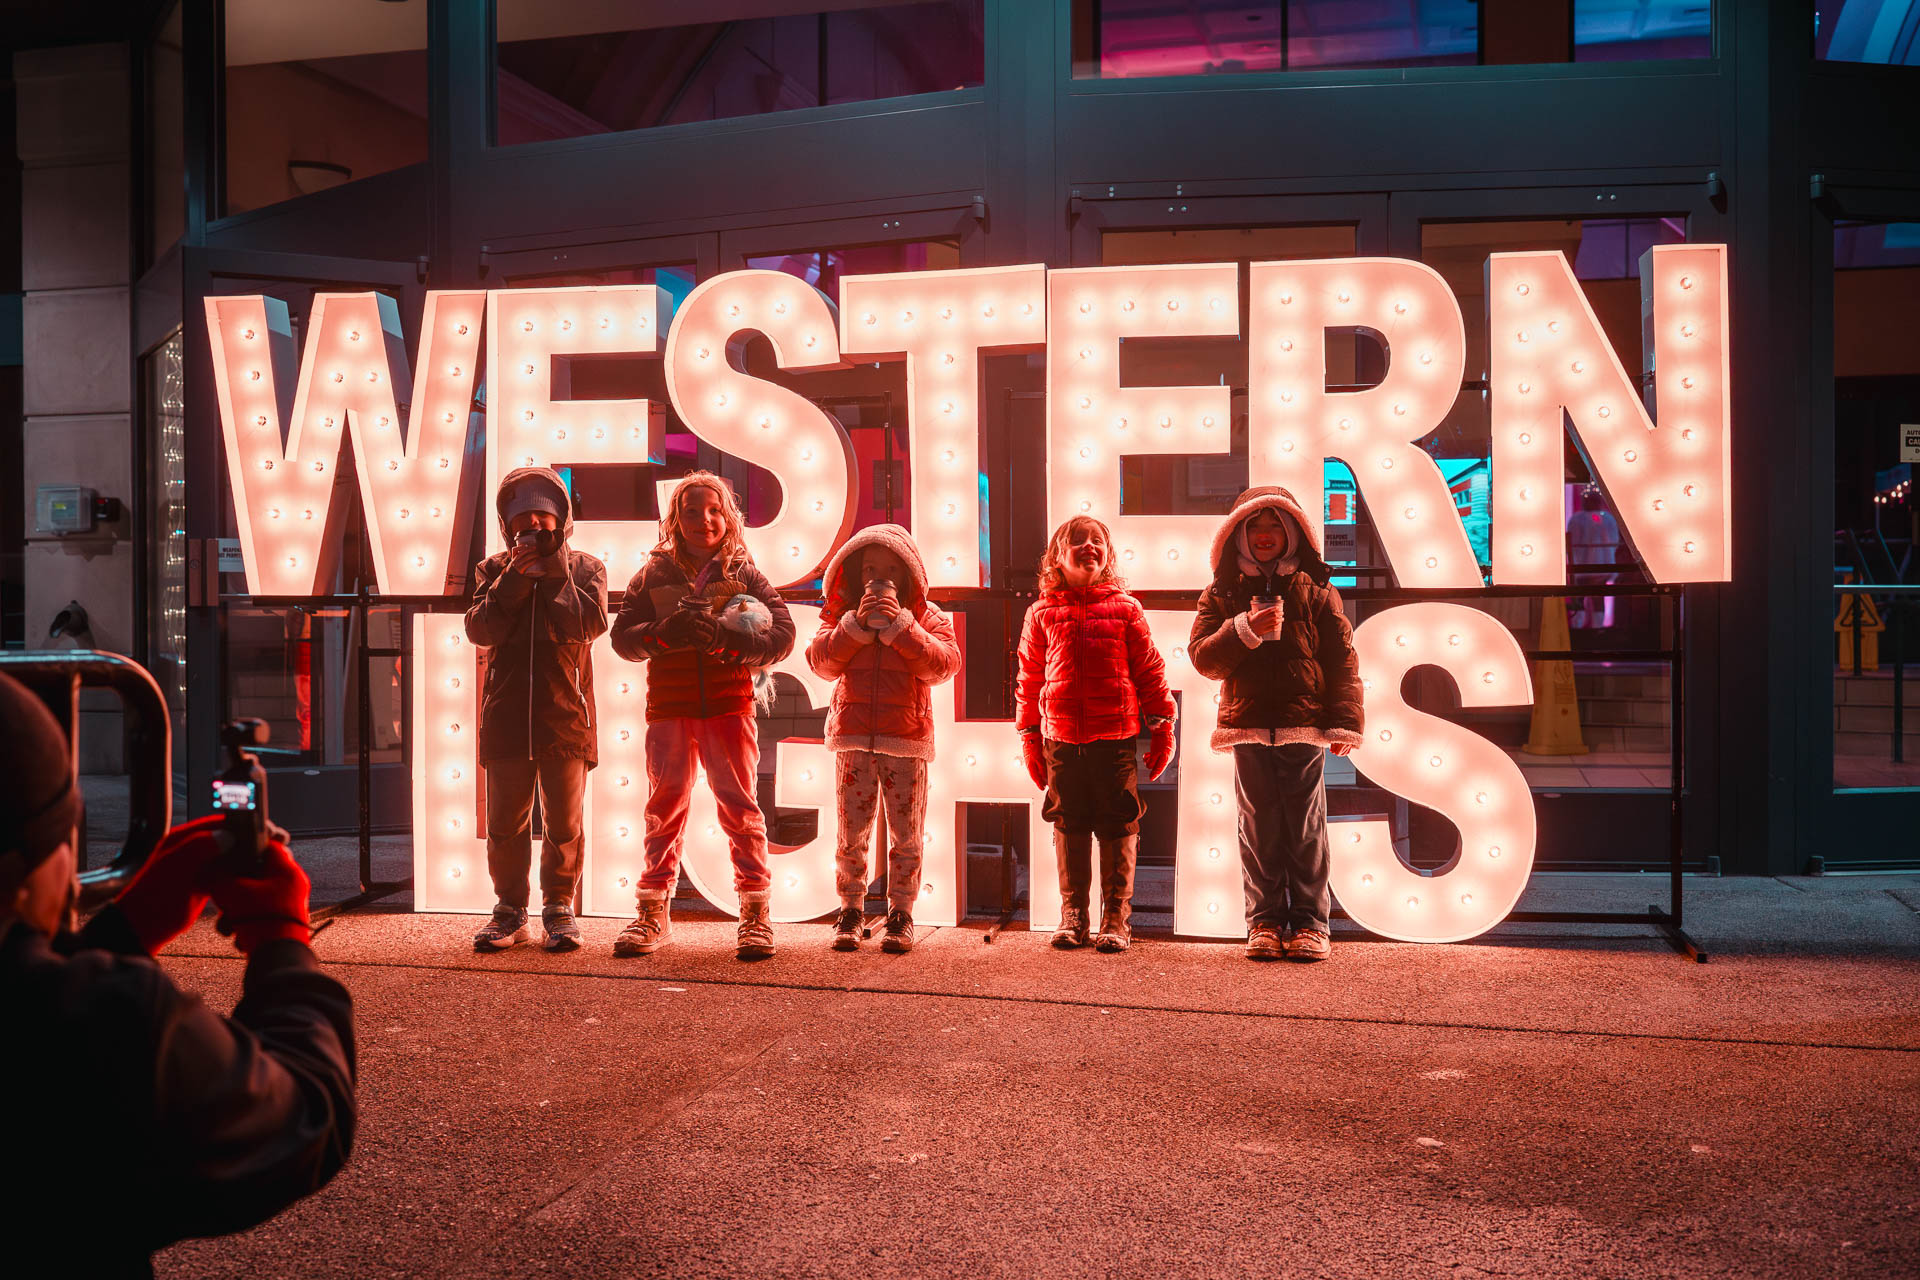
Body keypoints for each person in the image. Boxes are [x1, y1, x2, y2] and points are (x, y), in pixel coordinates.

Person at [0, 673, 354, 1278]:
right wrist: (283, 943)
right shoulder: (110, 1021)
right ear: (31, 865)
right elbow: (304, 1117)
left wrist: (123, 934)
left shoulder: (53, 1009)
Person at [609, 472, 795, 961]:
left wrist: (726, 642)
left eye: (713, 510)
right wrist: (666, 632)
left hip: (729, 709)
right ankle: (653, 912)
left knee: (740, 808)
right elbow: (623, 639)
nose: (703, 520)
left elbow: (783, 637)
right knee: (663, 810)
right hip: (669, 709)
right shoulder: (651, 575)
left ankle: (755, 913)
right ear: (676, 518)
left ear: (726, 516)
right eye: (691, 510)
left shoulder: (746, 572)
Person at [1189, 487, 1364, 963]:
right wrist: (1244, 630)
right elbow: (1203, 659)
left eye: (1274, 526)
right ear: (1237, 534)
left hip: (1302, 725)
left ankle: (1310, 923)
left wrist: (1344, 722)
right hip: (1246, 724)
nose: (1264, 535)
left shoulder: (1317, 589)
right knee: (1257, 826)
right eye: (1254, 526)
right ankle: (1263, 921)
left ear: (1292, 533)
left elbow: (1341, 657)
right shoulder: (1220, 593)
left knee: (1306, 828)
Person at [465, 466, 609, 953]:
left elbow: (587, 626)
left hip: (566, 713)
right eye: (522, 519)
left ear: (561, 520)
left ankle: (559, 908)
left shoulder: (585, 568)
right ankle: (508, 911)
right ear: (508, 525)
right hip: (506, 716)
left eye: (543, 517)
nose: (534, 526)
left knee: (565, 823)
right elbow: (480, 631)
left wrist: (554, 576)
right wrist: (514, 579)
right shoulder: (492, 569)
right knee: (505, 823)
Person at [1016, 516, 1176, 953]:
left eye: (1098, 540)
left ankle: (1116, 919)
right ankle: (1073, 916)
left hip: (1115, 739)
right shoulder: (1041, 614)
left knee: (1118, 821)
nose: (1090, 546)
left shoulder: (1126, 609)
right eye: (1078, 540)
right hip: (1061, 740)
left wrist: (1162, 727)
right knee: (1068, 822)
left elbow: (1150, 673)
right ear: (1056, 557)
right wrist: (1030, 736)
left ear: (1108, 556)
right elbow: (1029, 680)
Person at [805, 523, 962, 953]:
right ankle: (850, 909)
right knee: (849, 833)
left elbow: (944, 666)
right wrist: (854, 626)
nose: (879, 578)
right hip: (853, 736)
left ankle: (902, 913)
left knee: (906, 835)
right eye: (870, 568)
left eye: (891, 570)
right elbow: (820, 663)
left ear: (909, 576)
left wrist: (901, 627)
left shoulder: (927, 619)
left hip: (906, 739)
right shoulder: (840, 617)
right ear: (855, 574)